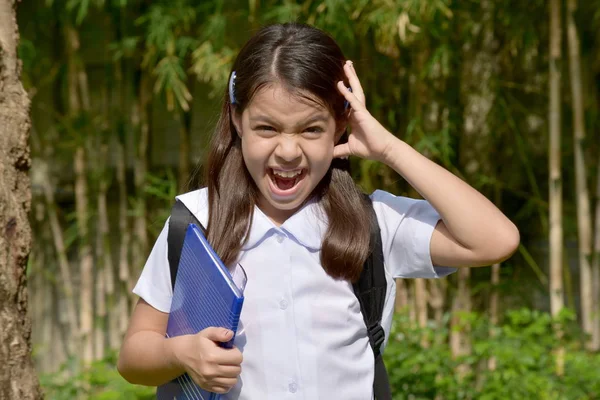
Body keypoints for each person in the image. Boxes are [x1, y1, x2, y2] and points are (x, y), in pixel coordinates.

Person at [117, 23, 519, 399]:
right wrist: (181, 354)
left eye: (311, 129)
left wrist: (389, 149)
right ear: (237, 120)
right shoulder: (198, 222)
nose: (288, 151)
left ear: (340, 125)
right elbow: (134, 356)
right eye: (267, 129)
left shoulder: (374, 222)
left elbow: (494, 241)